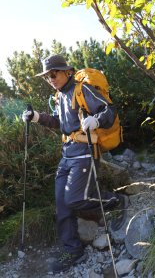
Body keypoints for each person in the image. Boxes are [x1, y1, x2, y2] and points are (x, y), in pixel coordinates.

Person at [22, 54, 129, 274]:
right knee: (62, 202)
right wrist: (36, 117)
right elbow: (60, 123)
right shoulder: (59, 96)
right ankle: (72, 249)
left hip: (86, 153)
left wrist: (96, 120)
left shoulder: (83, 90)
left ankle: (117, 200)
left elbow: (109, 110)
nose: (50, 79)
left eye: (53, 74)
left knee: (75, 199)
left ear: (66, 72)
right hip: (68, 154)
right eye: (46, 76)